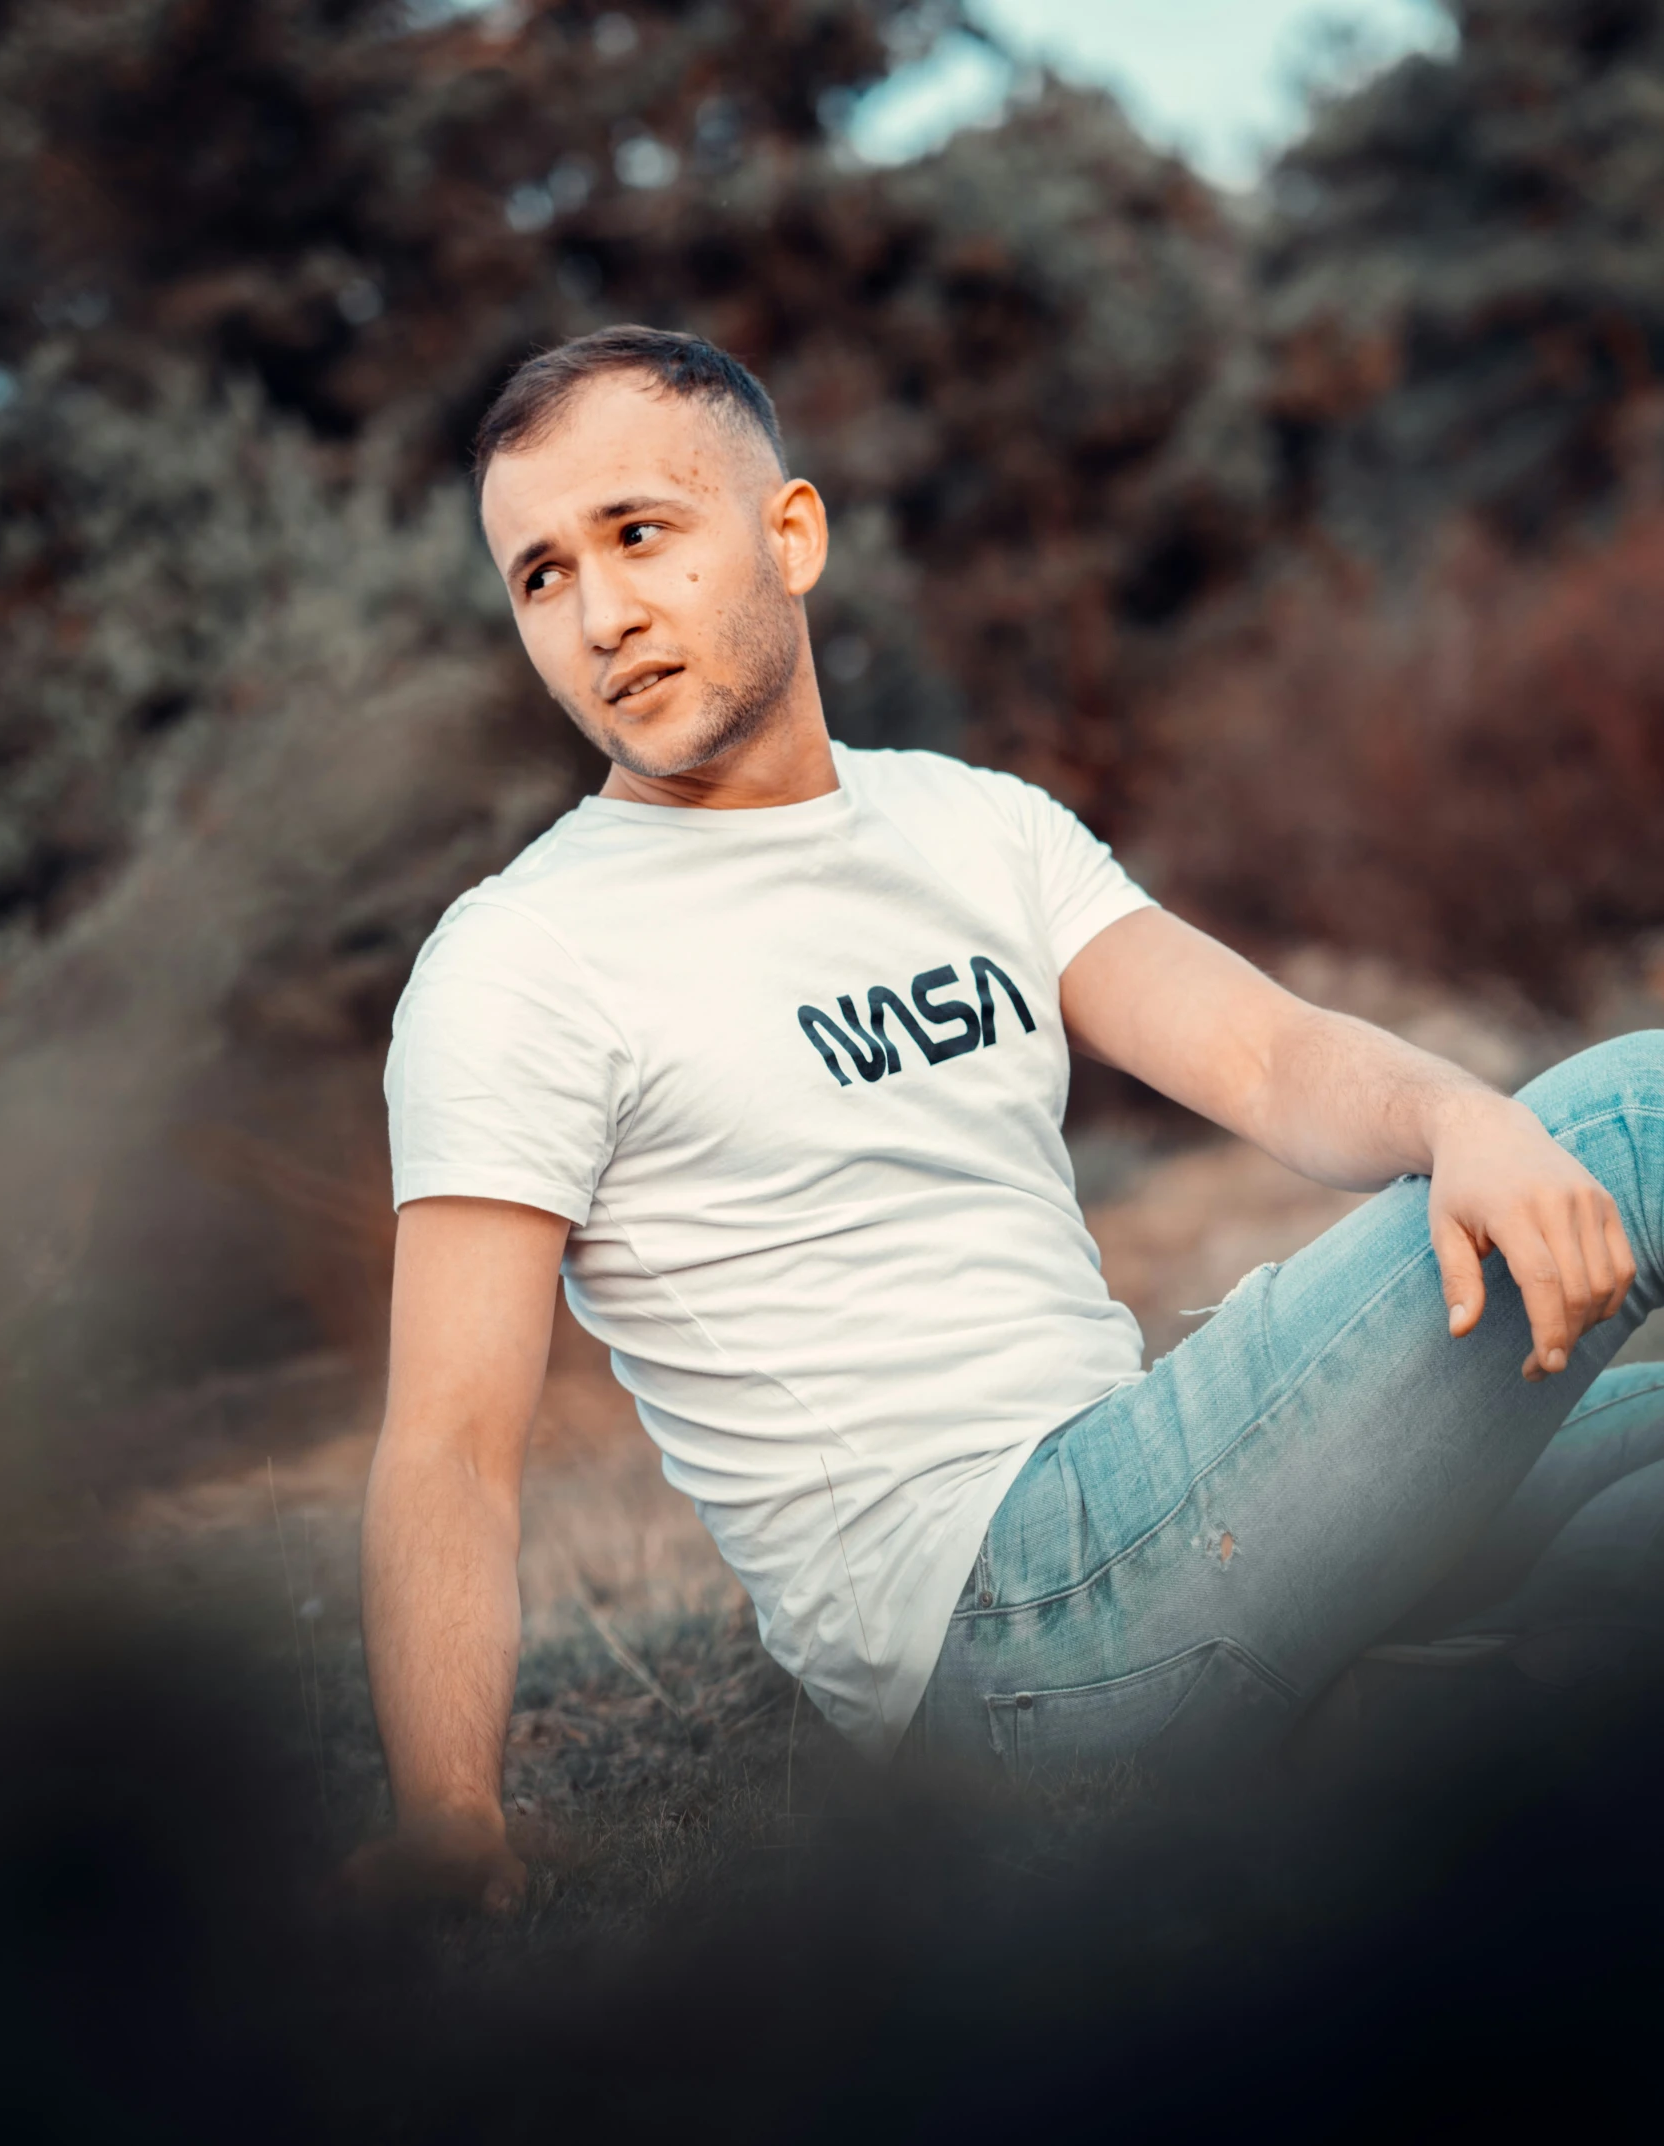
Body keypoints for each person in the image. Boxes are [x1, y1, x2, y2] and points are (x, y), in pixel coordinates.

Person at [358, 326, 1664, 1909]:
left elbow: (1262, 1057)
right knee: (1626, 1115)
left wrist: (1462, 1114)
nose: (602, 615)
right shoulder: (522, 958)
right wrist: (447, 1812)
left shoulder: (975, 825)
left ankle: (1404, 1722)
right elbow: (449, 1442)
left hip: (1172, 1502)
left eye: (638, 534)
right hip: (1012, 1616)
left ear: (791, 535)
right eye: (541, 576)